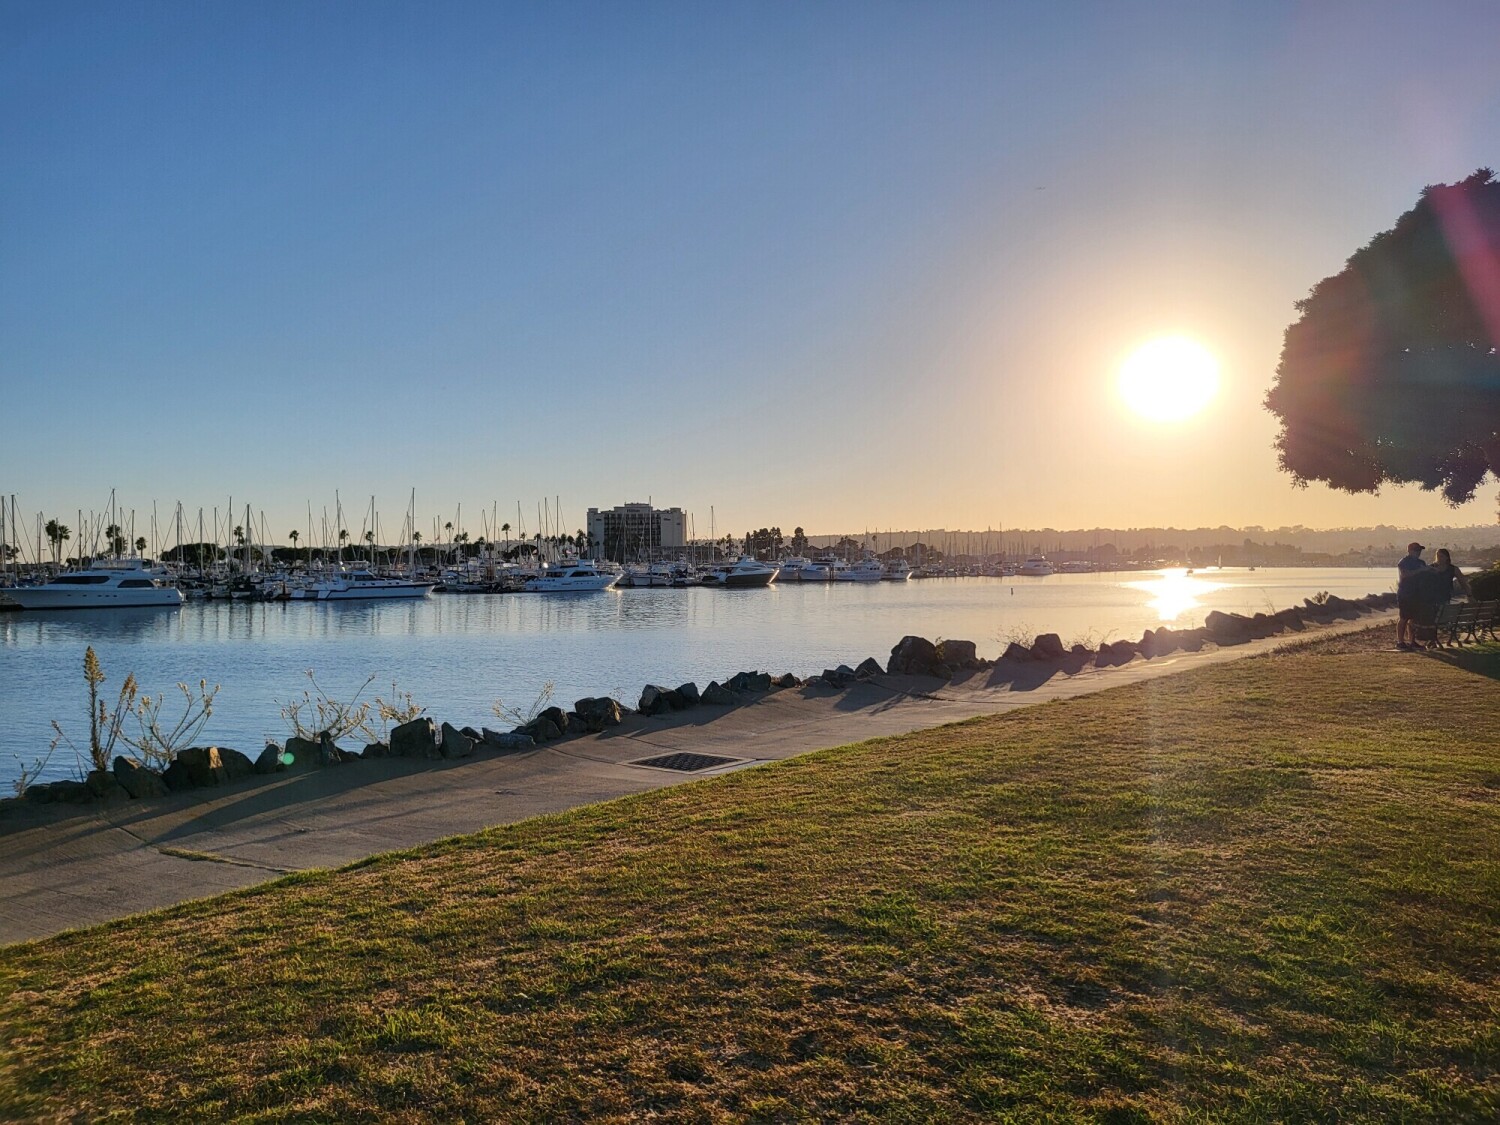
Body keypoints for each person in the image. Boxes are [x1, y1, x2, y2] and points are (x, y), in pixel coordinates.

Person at [1395, 542, 1427, 650]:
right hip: (1405, 594)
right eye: (1416, 550)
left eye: (1419, 550)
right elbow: (1404, 575)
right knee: (1403, 618)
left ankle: (1412, 641)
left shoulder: (1421, 562)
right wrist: (1420, 570)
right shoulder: (1403, 562)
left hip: (1417, 594)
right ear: (1409, 550)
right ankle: (1400, 641)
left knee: (1413, 619)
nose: (1418, 553)